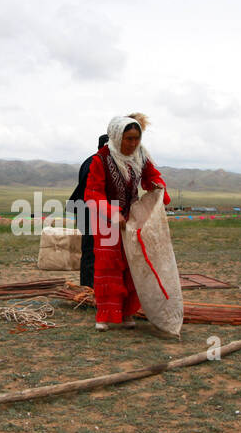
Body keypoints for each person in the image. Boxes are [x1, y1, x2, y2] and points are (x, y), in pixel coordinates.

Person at [84, 114, 170, 330]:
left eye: (136, 139)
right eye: (128, 138)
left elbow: (151, 176)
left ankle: (126, 313)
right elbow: (93, 192)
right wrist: (112, 214)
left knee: (132, 265)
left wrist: (157, 186)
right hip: (106, 222)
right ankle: (105, 315)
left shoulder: (141, 156)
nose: (133, 144)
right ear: (116, 136)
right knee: (108, 267)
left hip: (131, 218)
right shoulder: (101, 159)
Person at [68, 133, 109, 288]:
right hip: (91, 212)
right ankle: (88, 290)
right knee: (92, 252)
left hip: (90, 211)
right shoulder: (97, 162)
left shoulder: (89, 160)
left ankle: (94, 287)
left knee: (93, 252)